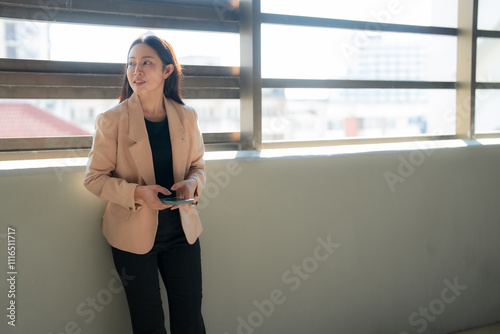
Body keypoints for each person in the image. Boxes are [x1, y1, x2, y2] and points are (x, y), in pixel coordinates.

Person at [84, 34, 206, 334]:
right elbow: (94, 178)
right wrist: (138, 193)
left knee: (190, 319)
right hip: (131, 235)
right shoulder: (111, 120)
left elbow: (198, 167)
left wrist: (192, 183)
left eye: (146, 63)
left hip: (182, 232)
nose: (136, 70)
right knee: (148, 322)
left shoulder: (187, 116)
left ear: (167, 71)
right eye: (131, 63)